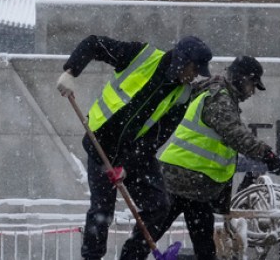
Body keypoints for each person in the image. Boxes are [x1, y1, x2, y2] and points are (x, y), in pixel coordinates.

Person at [56, 34, 214, 260]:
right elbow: (93, 43)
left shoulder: (183, 94)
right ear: (181, 60)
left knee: (159, 206)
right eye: (194, 69)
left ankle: (132, 257)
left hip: (136, 152)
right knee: (102, 212)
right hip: (101, 144)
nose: (194, 76)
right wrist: (71, 71)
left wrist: (127, 166)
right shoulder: (141, 55)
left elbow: (157, 138)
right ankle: (92, 257)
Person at [117, 56, 280, 260]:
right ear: (241, 79)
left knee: (197, 244)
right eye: (252, 85)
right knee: (152, 235)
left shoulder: (218, 95)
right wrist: (267, 155)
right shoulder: (218, 98)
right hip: (181, 180)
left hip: (194, 186)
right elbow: (234, 133)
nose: (251, 92)